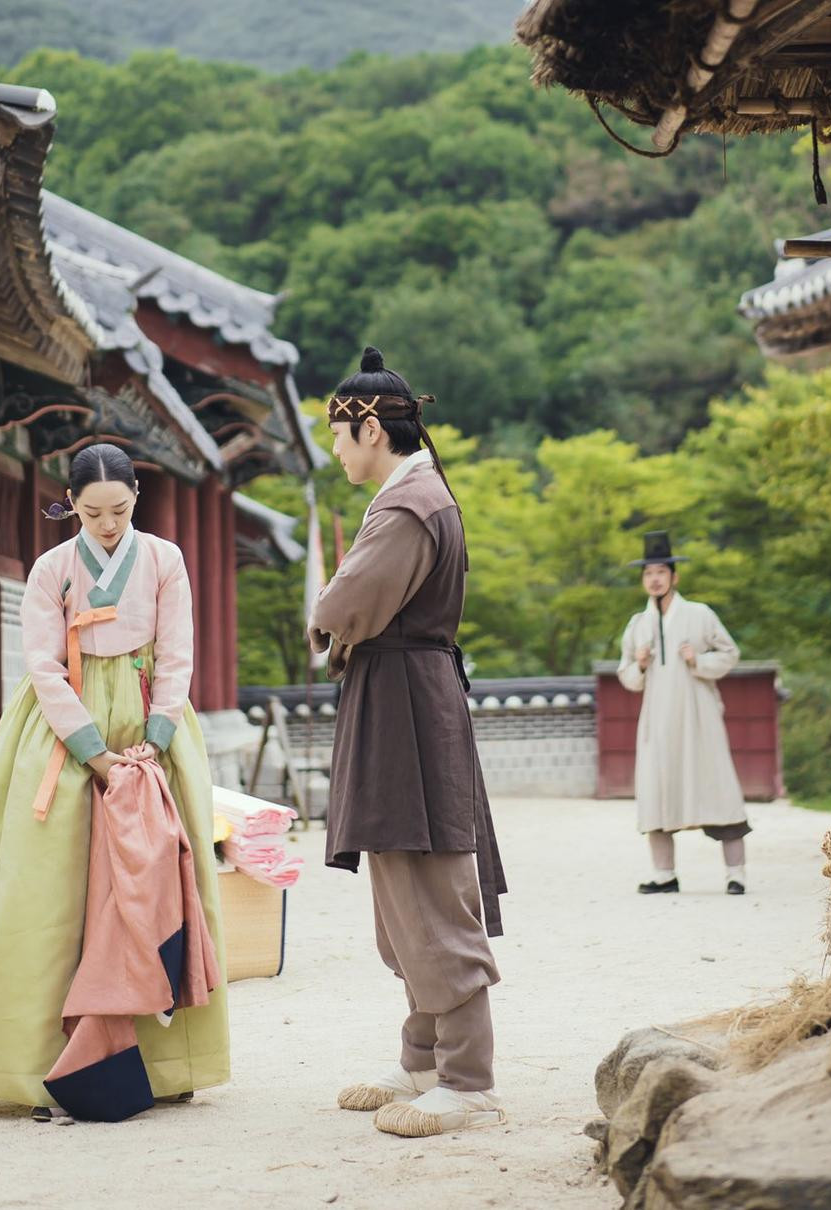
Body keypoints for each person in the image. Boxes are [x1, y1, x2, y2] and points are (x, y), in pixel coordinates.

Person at [0, 443, 229, 1115]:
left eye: (119, 511)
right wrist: (94, 755)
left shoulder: (164, 560)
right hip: (64, 729)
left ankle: (164, 1064)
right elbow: (42, 665)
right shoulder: (51, 568)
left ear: (136, 498)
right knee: (48, 898)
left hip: (152, 721)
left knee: (159, 885)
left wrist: (154, 746)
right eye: (92, 514)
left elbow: (177, 656)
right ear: (72, 505)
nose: (108, 525)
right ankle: (36, 1067)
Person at [309, 346, 506, 1139]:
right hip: (401, 698)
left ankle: (468, 1079)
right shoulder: (413, 492)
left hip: (408, 705)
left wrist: (324, 607)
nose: (334, 450)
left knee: (428, 882)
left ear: (368, 426)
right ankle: (423, 1058)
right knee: (401, 882)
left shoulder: (406, 505)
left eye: (338, 434)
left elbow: (342, 605)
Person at [617, 530, 750, 896]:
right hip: (657, 720)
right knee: (658, 789)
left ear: (675, 576)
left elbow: (730, 654)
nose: (655, 578)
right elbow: (626, 675)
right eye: (648, 573)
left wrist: (699, 661)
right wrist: (640, 665)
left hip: (698, 717)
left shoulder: (700, 614)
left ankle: (735, 874)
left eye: (661, 571)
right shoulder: (637, 624)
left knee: (718, 787)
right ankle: (664, 875)